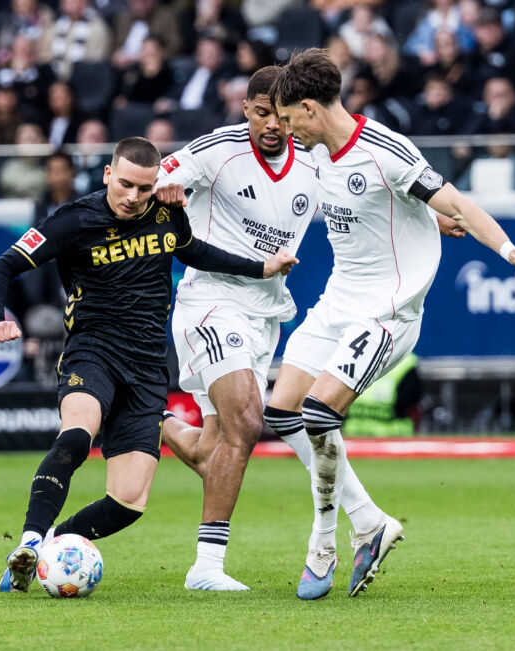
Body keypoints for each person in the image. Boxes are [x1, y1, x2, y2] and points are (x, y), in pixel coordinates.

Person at [155, 66, 465, 592]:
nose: (272, 125)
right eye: (260, 113)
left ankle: (138, 412)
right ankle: (206, 568)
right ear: (245, 109)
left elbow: (364, 196)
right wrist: (163, 187)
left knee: (214, 449)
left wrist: (430, 218)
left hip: (266, 313)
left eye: (280, 114)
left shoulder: (312, 156)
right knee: (253, 420)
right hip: (212, 303)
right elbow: (151, 174)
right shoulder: (218, 149)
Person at [269, 48, 515, 599]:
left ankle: (323, 543)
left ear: (309, 108)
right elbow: (393, 207)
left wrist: (510, 250)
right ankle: (371, 522)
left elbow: (460, 202)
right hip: (337, 303)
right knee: (281, 411)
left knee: (316, 412)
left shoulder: (386, 150)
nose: (286, 131)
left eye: (288, 120)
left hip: (388, 312)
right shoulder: (312, 153)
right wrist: (423, 215)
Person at [0, 136, 297, 593]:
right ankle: (27, 540)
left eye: (145, 188)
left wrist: (260, 268)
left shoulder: (168, 214)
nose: (133, 197)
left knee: (128, 502)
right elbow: (2, 266)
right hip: (93, 350)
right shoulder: (73, 220)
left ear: (157, 184)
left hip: (148, 367)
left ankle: (48, 547)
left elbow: (198, 253)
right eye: (125, 184)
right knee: (77, 433)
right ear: (108, 174)